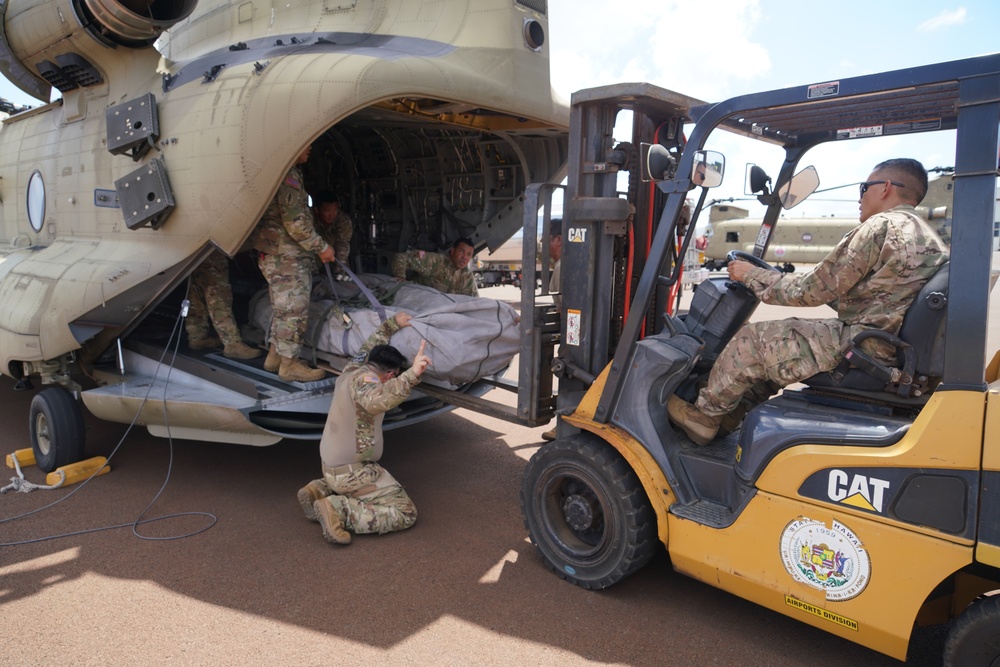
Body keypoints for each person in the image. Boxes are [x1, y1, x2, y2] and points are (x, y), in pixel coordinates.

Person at [667, 158, 950, 446]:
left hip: (865, 347)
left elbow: (809, 291)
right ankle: (730, 416)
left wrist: (751, 275)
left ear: (886, 187)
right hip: (888, 347)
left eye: (865, 187)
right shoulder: (929, 238)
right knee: (781, 351)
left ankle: (704, 416)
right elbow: (872, 296)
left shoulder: (881, 227)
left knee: (753, 339)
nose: (860, 196)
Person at [297, 312, 431, 545]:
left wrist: (391, 325)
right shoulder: (368, 382)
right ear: (390, 375)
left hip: (331, 467)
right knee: (405, 512)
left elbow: (369, 345)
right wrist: (412, 375)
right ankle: (338, 509)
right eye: (393, 377)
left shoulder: (352, 369)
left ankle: (318, 489)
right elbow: (375, 400)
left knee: (351, 478)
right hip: (352, 472)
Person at [251, 145, 336, 382]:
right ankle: (289, 365)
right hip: (286, 257)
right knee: (293, 311)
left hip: (274, 253)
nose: (310, 148)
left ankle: (274, 356)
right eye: (307, 143)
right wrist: (322, 247)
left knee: (282, 309)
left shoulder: (279, 171)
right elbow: (296, 223)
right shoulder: (288, 176)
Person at [185, 251, 261, 360]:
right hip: (210, 248)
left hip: (194, 250)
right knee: (218, 295)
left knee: (196, 292)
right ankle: (232, 343)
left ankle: (197, 336)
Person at [392, 237, 479, 296]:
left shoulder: (467, 276)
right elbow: (402, 257)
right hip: (416, 303)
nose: (464, 257)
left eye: (468, 254)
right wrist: (400, 278)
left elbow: (475, 301)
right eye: (462, 251)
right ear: (452, 251)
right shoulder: (435, 261)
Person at [540, 219, 563, 443]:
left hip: (577, 334)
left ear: (558, 240)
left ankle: (566, 423)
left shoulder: (562, 266)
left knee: (569, 369)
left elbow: (564, 309)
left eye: (543, 240)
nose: (540, 246)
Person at [311, 190, 353, 270]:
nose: (332, 214)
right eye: (327, 211)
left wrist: (340, 268)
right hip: (315, 256)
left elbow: (342, 245)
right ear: (316, 210)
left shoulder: (343, 220)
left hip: (335, 257)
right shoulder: (309, 219)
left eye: (335, 210)